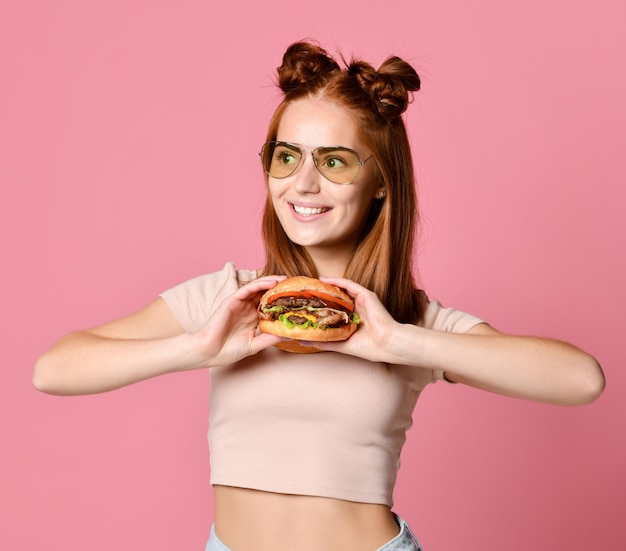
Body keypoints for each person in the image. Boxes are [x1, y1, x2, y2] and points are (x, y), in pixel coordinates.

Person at [33, 41, 605, 551]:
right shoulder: (230, 297)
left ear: (381, 180)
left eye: (334, 161)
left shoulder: (409, 321)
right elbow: (54, 370)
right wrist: (197, 349)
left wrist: (401, 341)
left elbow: (580, 379)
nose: (303, 183)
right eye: (287, 156)